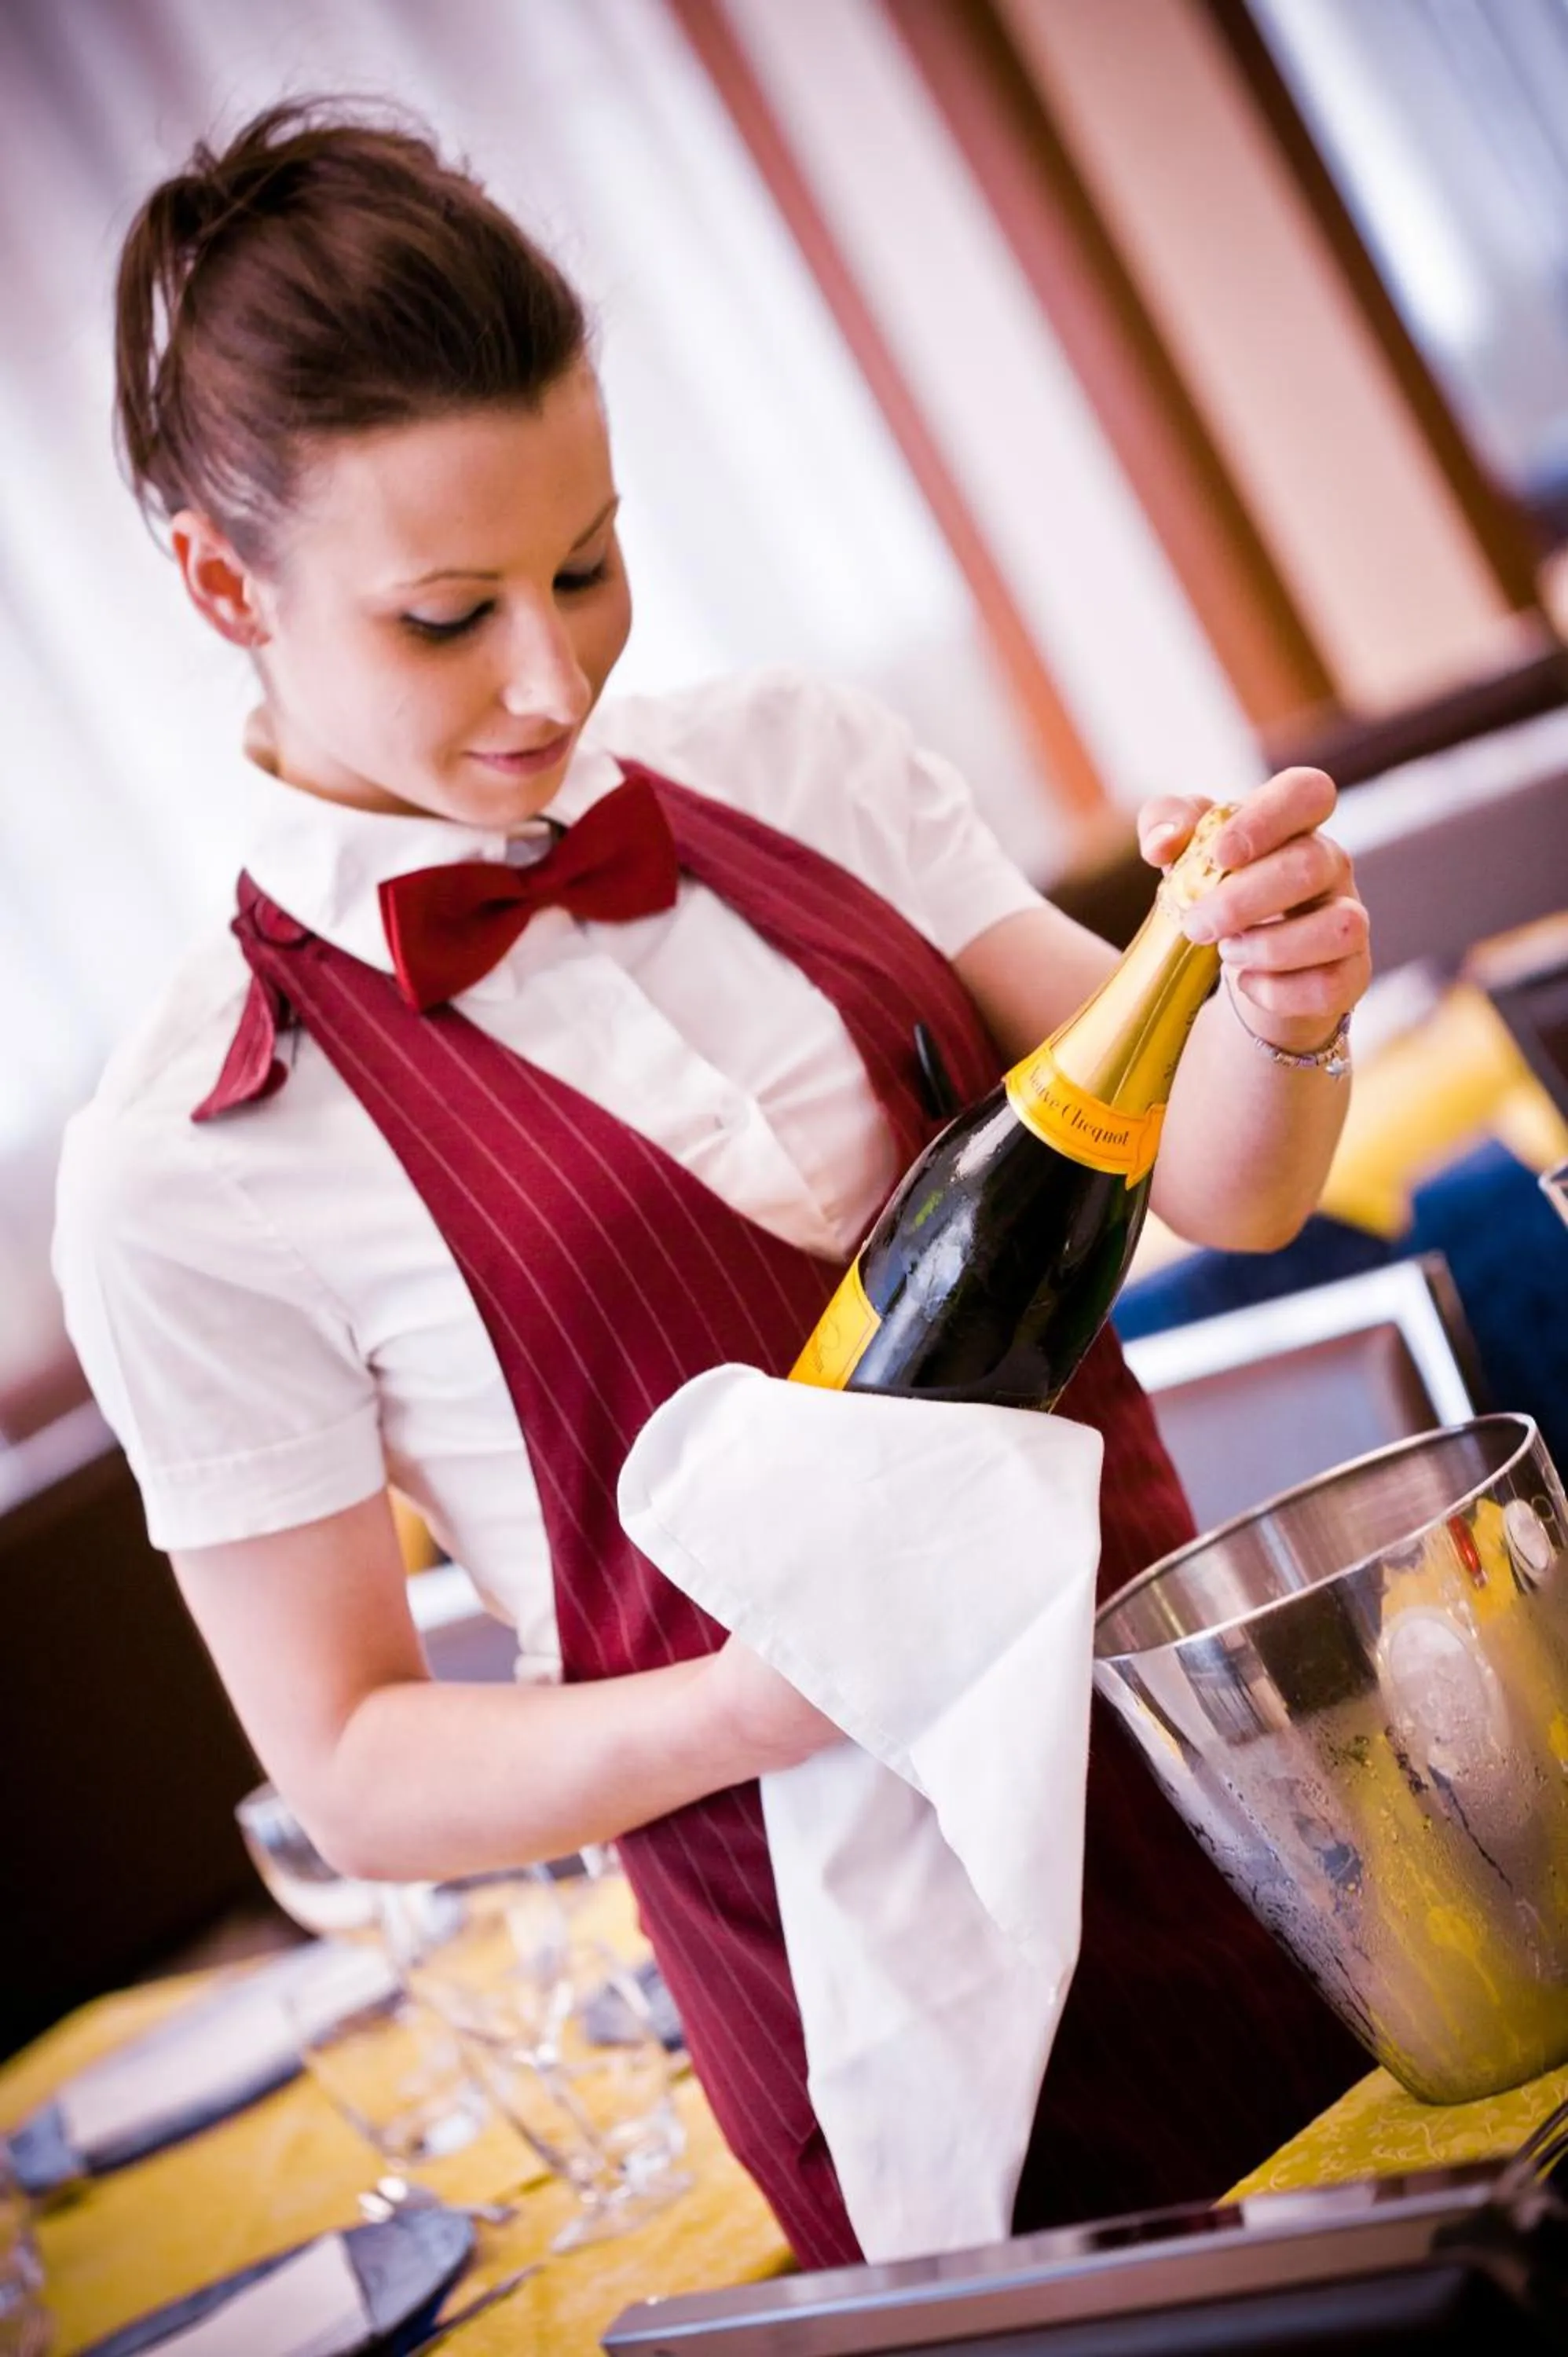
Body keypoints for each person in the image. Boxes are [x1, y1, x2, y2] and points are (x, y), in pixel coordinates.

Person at [56, 101, 1372, 2269]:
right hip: (874, 1992)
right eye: (447, 614)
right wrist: (796, 1690)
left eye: (585, 562)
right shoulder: (189, 1162)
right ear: (221, 586)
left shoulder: (797, 765)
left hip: (1233, 1779)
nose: (554, 679)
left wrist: (1278, 992)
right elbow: (360, 1766)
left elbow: (1224, 1186)